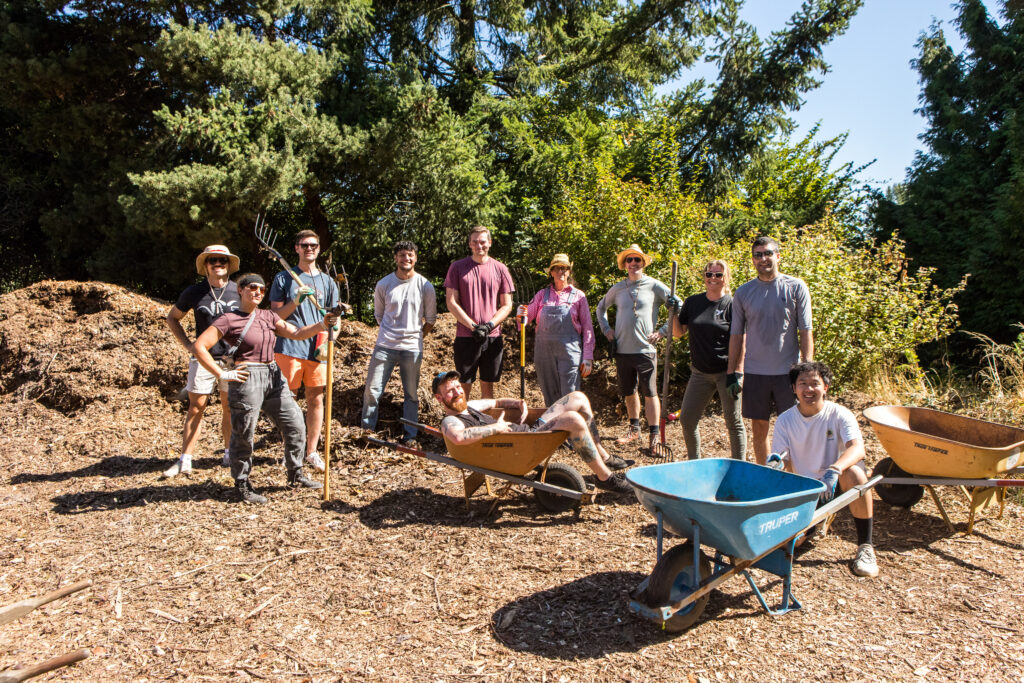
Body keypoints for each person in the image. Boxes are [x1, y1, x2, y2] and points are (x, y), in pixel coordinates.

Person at [193, 273, 337, 504]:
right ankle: (241, 484)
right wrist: (221, 373)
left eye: (261, 289)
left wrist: (322, 324)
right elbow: (199, 346)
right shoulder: (228, 319)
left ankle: (295, 473)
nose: (258, 292)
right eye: (252, 287)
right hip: (247, 376)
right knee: (244, 432)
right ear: (240, 290)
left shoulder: (268, 316)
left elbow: (297, 333)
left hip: (273, 374)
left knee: (295, 423)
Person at [431, 371, 633, 492]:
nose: (457, 392)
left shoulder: (471, 405)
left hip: (528, 435)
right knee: (572, 419)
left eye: (458, 387)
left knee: (578, 397)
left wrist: (518, 403)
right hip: (523, 443)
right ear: (440, 399)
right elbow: (457, 437)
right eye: (450, 391)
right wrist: (495, 427)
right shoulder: (450, 420)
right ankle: (605, 478)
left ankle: (602, 455)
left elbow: (496, 401)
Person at [769, 361, 879, 578]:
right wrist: (774, 463)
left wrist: (835, 469)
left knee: (856, 473)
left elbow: (858, 449)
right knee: (787, 545)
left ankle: (865, 547)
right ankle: (813, 526)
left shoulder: (839, 414)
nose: (809, 389)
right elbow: (781, 459)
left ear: (826, 387)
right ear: (794, 388)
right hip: (807, 491)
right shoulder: (785, 420)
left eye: (815, 383)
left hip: (835, 485)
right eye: (802, 384)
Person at [727, 236, 813, 465]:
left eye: (767, 253)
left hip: (789, 372)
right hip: (756, 372)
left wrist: (807, 368)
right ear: (753, 260)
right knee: (759, 428)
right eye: (758, 255)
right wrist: (732, 372)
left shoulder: (795, 287)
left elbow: (805, 330)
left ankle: (795, 479)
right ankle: (765, 475)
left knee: (795, 428)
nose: (763, 258)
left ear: (778, 256)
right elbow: (736, 335)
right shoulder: (744, 292)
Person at [162, 245, 242, 478]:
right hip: (205, 358)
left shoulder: (239, 291)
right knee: (196, 407)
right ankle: (185, 459)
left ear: (229, 265)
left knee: (228, 407)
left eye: (222, 261)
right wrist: (188, 344)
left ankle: (229, 453)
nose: (218, 264)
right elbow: (173, 318)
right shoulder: (194, 292)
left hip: (232, 359)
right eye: (212, 261)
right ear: (205, 266)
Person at [268, 230, 340, 473]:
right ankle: (289, 450)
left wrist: (331, 339)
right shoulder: (284, 278)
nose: (309, 248)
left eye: (313, 244)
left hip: (318, 349)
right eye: (304, 245)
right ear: (296, 248)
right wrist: (296, 301)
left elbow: (335, 319)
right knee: (286, 401)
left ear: (319, 248)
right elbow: (275, 318)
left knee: (316, 399)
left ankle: (311, 451)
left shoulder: (327, 282)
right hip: (289, 346)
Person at [596, 244, 679, 453]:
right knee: (628, 391)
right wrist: (607, 329)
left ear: (643, 263)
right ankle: (634, 429)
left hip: (646, 350)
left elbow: (679, 305)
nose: (633, 263)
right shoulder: (618, 288)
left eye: (637, 260)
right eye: (629, 260)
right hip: (623, 350)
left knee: (650, 392)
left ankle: (654, 435)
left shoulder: (654, 286)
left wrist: (662, 332)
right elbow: (601, 308)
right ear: (624, 264)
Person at [361, 241, 437, 446]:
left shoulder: (425, 286)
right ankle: (367, 432)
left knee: (411, 393)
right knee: (372, 389)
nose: (407, 259)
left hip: (412, 348)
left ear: (416, 258)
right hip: (385, 346)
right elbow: (379, 315)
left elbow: (430, 319)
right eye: (402, 255)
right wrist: (391, 332)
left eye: (410, 255)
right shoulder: (384, 284)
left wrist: (417, 336)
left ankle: (410, 436)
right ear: (396, 258)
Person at [670, 260, 746, 460]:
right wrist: (674, 312)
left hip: (726, 372)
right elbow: (678, 333)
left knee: (733, 421)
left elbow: (742, 339)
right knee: (687, 419)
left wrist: (737, 372)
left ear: (725, 278)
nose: (713, 278)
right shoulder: (693, 302)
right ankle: (694, 463)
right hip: (700, 373)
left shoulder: (732, 304)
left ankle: (740, 466)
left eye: (718, 275)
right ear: (704, 277)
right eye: (709, 274)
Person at [443, 226, 515, 400]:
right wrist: (473, 326)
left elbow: (507, 305)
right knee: (463, 385)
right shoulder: (457, 267)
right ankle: (462, 423)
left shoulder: (500, 269)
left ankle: (486, 424)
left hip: (492, 337)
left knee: (488, 385)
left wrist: (489, 326)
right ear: (469, 244)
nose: (479, 245)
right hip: (466, 336)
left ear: (489, 243)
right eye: (475, 242)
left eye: (482, 241)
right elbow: (451, 302)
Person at [524, 254, 596, 406]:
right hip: (544, 353)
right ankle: (554, 428)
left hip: (569, 353)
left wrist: (587, 357)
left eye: (564, 268)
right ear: (551, 272)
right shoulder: (541, 295)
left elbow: (588, 328)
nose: (560, 272)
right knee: (549, 393)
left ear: (569, 272)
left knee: (569, 393)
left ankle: (570, 426)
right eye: (556, 268)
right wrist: (521, 314)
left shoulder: (578, 296)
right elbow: (525, 318)